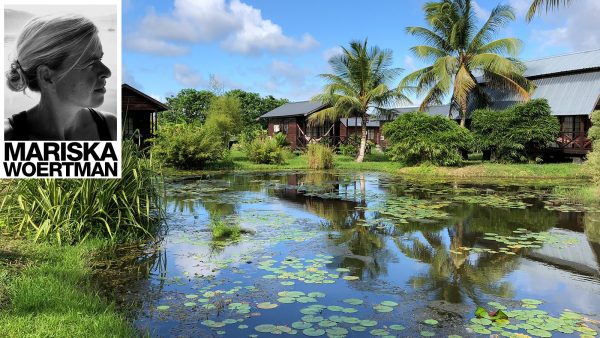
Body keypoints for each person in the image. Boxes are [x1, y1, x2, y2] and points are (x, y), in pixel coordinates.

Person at [5, 14, 116, 141]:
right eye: (89, 63)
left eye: (100, 59)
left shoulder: (112, 129)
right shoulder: (6, 138)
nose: (107, 72)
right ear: (46, 76)